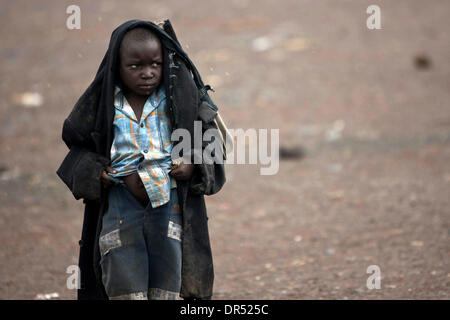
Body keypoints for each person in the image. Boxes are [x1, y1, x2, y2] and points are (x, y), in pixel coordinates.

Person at [57, 19, 226, 300]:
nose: (147, 73)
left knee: (168, 277)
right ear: (117, 67)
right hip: (120, 208)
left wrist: (193, 163)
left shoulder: (178, 101)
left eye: (155, 65)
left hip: (168, 207)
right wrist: (95, 172)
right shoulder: (104, 106)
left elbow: (212, 143)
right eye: (135, 66)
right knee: (123, 277)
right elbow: (77, 150)